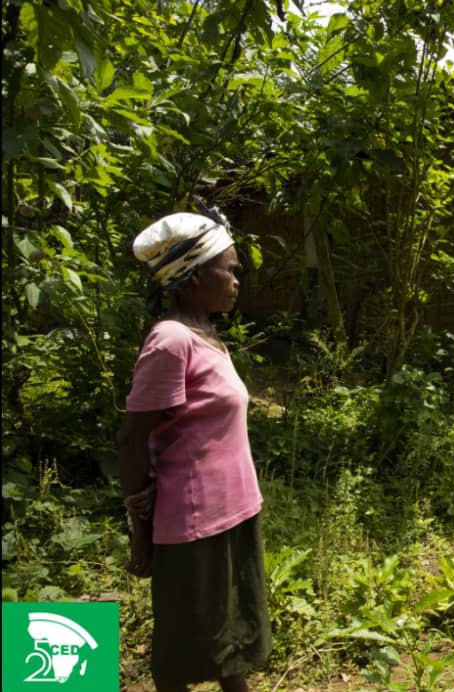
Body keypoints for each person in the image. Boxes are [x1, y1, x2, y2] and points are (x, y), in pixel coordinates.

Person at [118, 211, 271, 692]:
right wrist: (140, 529)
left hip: (235, 513)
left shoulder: (207, 337)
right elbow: (132, 437)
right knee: (182, 652)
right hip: (193, 523)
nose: (236, 279)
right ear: (192, 277)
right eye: (229, 269)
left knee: (229, 637)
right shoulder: (170, 342)